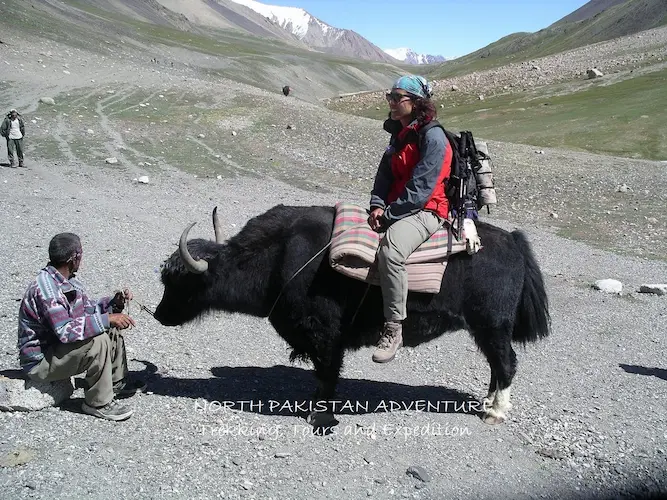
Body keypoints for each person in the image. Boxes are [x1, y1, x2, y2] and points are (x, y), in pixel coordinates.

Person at [368, 75, 453, 363]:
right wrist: (377, 205)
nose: (391, 102)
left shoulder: (434, 137)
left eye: (397, 97)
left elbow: (421, 189)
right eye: (389, 96)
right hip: (397, 206)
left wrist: (388, 215)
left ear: (416, 103)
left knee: (391, 250)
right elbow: (384, 175)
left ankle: (393, 328)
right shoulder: (399, 134)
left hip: (428, 209)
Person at [17, 233, 146, 421]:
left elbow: (87, 310)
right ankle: (98, 403)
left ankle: (115, 383)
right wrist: (107, 319)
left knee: (108, 326)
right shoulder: (47, 290)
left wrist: (113, 304)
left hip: (57, 350)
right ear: (74, 258)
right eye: (81, 254)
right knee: (99, 339)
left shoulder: (66, 280)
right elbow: (65, 331)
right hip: (41, 363)